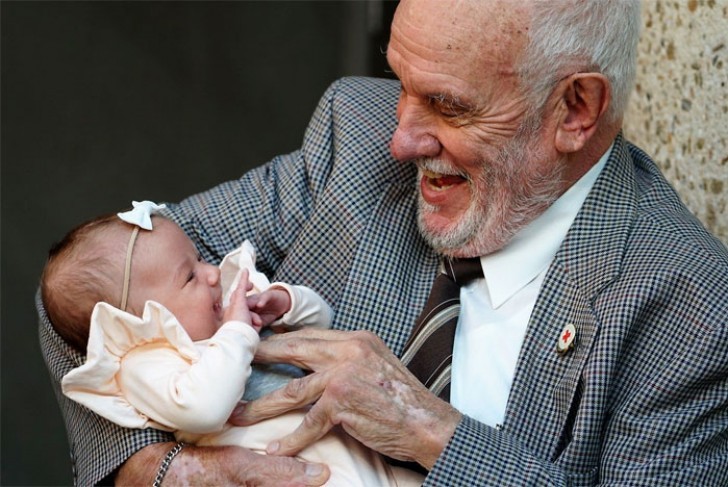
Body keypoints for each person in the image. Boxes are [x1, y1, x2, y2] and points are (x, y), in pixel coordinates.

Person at [37, 0, 728, 485]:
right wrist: (164, 471)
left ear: (576, 109)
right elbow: (95, 289)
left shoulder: (690, 308)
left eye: (449, 105)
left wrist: (431, 431)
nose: (400, 138)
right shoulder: (355, 135)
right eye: (402, 81)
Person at [40, 202, 423, 487]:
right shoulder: (146, 362)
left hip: (363, 452)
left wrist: (286, 302)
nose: (211, 273)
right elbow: (203, 410)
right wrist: (238, 332)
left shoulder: (223, 316)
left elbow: (323, 326)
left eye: (200, 259)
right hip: (296, 470)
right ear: (136, 322)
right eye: (189, 276)